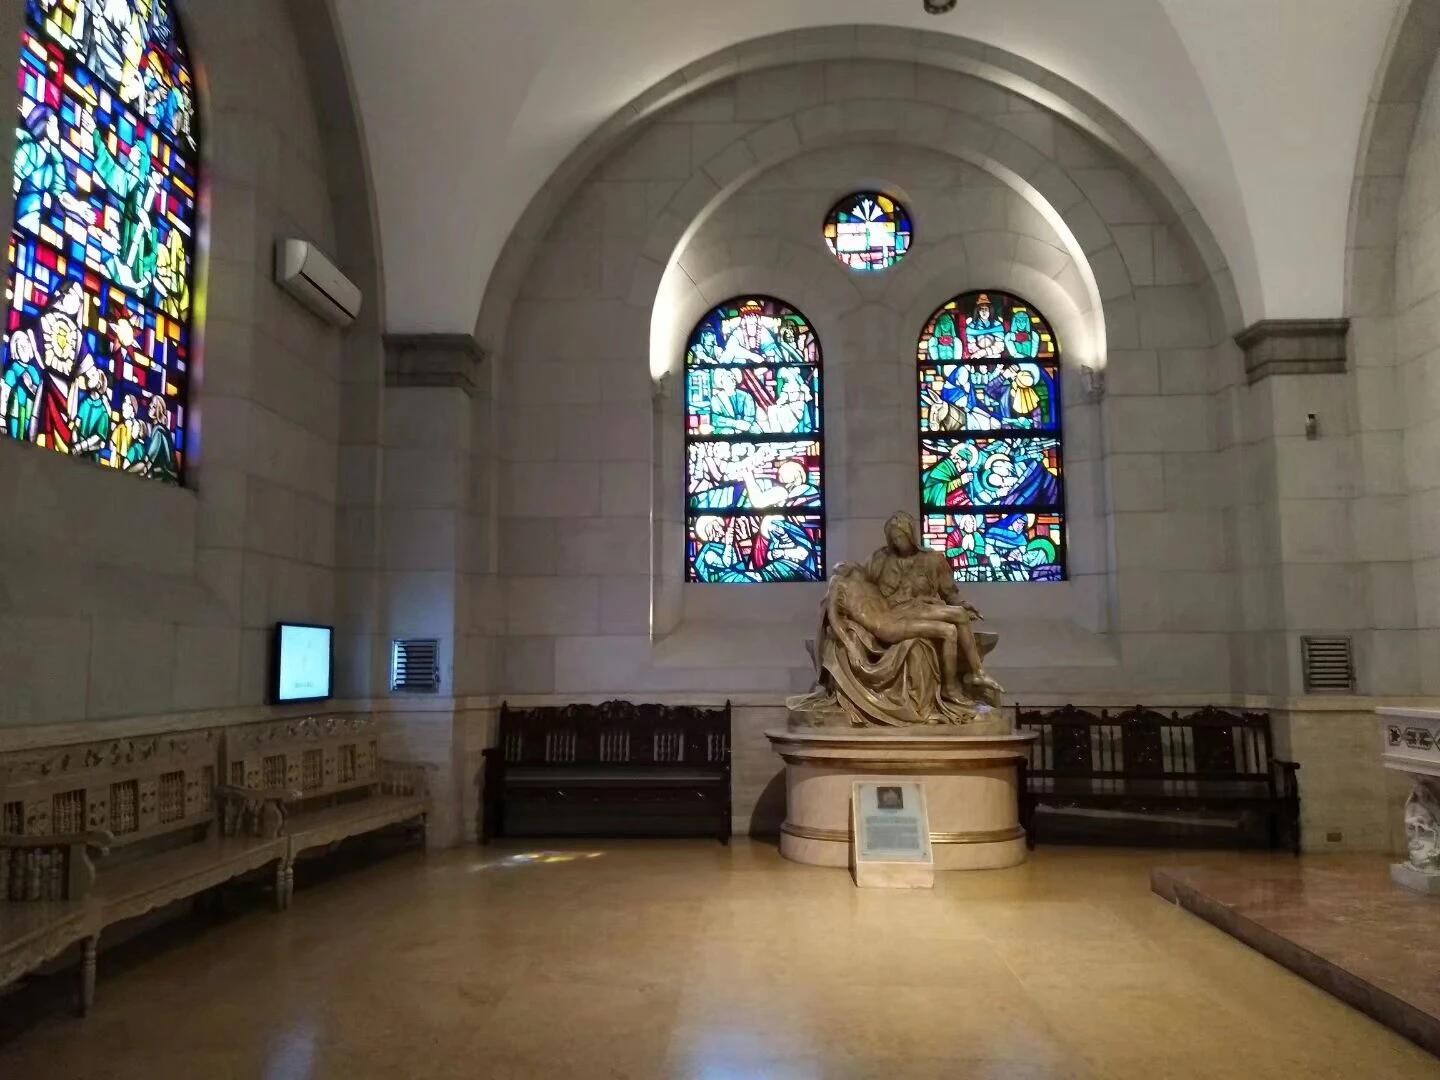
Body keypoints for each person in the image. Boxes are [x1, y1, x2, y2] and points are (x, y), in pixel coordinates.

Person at [865, 511, 1003, 699]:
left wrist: (962, 604)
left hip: (920, 608)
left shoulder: (931, 559)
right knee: (954, 620)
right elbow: (864, 586)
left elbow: (949, 592)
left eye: (901, 537)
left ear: (911, 535)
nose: (897, 542)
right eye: (894, 538)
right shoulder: (880, 559)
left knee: (959, 614)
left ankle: (976, 673)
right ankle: (958, 683)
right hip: (894, 613)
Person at [85, 109, 162, 294]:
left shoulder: (143, 189)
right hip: (124, 238)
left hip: (138, 249)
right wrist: (95, 135)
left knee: (130, 276)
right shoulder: (127, 178)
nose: (132, 151)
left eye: (136, 150)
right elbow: (110, 169)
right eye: (133, 149)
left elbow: (152, 230)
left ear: (141, 159)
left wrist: (146, 224)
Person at [1, 332, 44, 441]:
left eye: (26, 346)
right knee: (13, 438)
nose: (24, 349)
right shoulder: (13, 369)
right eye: (21, 347)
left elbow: (39, 393)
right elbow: (5, 393)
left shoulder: (33, 371)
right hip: (15, 412)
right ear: (15, 350)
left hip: (30, 413)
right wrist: (1, 418)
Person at [691, 516, 757, 582]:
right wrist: (728, 543)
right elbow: (726, 564)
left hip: (733, 576)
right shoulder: (708, 552)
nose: (722, 528)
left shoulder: (724, 546)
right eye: (718, 526)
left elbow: (736, 563)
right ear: (712, 530)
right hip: (720, 580)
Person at [69, 366, 113, 460]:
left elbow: (99, 437)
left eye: (93, 376)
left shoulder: (103, 411)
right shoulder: (84, 403)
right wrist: (75, 443)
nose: (89, 377)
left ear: (99, 384)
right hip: (76, 451)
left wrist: (80, 447)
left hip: (91, 458)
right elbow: (76, 427)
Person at [707, 368, 759, 434]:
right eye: (728, 377)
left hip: (746, 429)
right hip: (725, 430)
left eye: (733, 377)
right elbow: (715, 419)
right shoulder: (716, 399)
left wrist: (743, 427)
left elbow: (750, 416)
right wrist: (735, 424)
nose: (733, 380)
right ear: (721, 381)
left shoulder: (746, 395)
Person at [110, 393, 148, 471]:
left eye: (129, 404)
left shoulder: (137, 429)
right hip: (117, 468)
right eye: (124, 401)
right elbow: (113, 451)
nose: (125, 405)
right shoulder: (119, 428)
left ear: (134, 412)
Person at [143, 395, 177, 480]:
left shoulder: (159, 431)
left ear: (159, 411)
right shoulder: (158, 429)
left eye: (154, 406)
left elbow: (150, 458)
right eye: (151, 403)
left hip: (164, 475)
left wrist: (142, 472)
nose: (150, 406)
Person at [964, 294, 1006, 359]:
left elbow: (1000, 346)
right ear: (978, 311)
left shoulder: (997, 325)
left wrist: (983, 353)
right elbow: (970, 344)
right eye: (982, 309)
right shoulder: (972, 326)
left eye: (986, 309)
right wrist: (978, 354)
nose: (984, 312)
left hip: (995, 356)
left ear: (990, 311)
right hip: (977, 358)